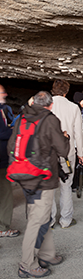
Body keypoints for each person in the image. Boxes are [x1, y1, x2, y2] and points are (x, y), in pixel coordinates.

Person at [7, 91, 70, 278]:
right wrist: (65, 136)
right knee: (37, 220)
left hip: (24, 175)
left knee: (41, 217)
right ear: (50, 105)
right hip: (42, 178)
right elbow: (63, 149)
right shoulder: (50, 120)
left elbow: (11, 146)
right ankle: (27, 264)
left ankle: (47, 254)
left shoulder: (21, 118)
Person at [50, 80, 83, 228]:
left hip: (48, 153)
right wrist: (80, 153)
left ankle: (49, 220)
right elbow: (78, 133)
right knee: (66, 185)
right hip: (67, 152)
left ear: (53, 90)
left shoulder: (45, 105)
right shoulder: (73, 107)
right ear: (66, 92)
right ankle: (65, 220)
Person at [0, 84, 19, 238]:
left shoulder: (3, 109)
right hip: (0, 158)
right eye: (2, 92)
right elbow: (1, 132)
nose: (5, 94)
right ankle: (3, 227)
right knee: (6, 194)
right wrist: (13, 131)